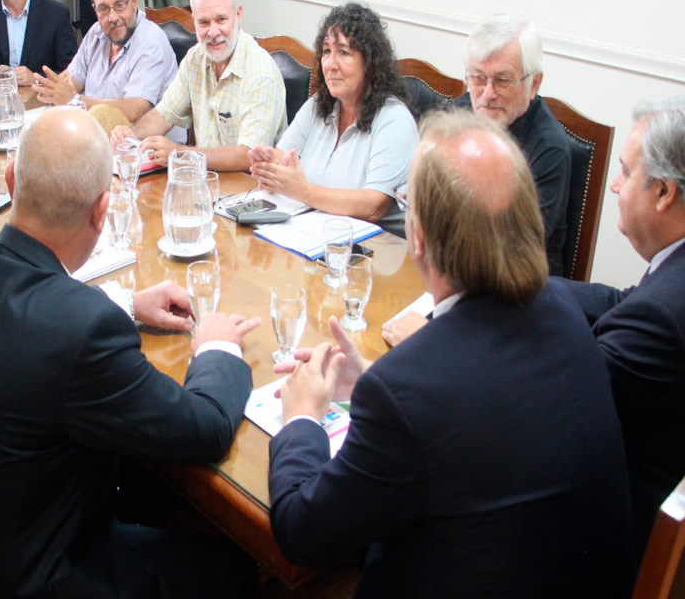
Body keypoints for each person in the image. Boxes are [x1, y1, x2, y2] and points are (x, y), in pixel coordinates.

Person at [268, 108, 635, 598]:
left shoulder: (409, 389)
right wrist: (371, 377)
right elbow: (476, 414)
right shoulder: (568, 314)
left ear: (418, 239)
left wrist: (301, 418)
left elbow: (301, 532)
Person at [0, 107, 261, 598]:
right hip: (36, 578)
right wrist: (217, 345)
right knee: (232, 566)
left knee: (142, 485)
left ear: (12, 178)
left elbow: (30, 316)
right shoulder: (83, 330)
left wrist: (127, 304)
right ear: (102, 210)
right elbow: (205, 428)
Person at [554, 95, 685, 561]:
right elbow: (623, 302)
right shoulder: (672, 275)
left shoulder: (663, 317)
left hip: (609, 537)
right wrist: (521, 283)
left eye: (626, 173)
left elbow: (558, 409)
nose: (613, 185)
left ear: (664, 192)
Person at [248, 3, 417, 235]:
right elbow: (283, 156)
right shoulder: (319, 104)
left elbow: (373, 206)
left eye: (343, 53)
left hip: (368, 247)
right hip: (311, 233)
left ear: (370, 62)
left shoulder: (394, 120)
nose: (330, 64)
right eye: (326, 51)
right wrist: (271, 169)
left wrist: (301, 190)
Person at [111, 0, 286, 172]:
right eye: (203, 22)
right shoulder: (195, 58)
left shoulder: (260, 73)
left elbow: (248, 156)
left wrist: (180, 153)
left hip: (249, 185)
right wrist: (131, 135)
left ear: (238, 15)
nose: (213, 32)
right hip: (203, 180)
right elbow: (163, 115)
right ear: (194, 21)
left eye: (221, 20)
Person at [455, 13, 570, 276]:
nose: (487, 95)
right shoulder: (458, 114)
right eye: (478, 78)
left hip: (517, 282)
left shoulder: (549, 148)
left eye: (502, 80)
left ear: (534, 83)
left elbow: (515, 246)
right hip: (456, 266)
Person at [32, 0, 177, 127]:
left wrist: (74, 100)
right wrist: (44, 86)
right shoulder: (96, 33)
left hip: (144, 140)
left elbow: (135, 111)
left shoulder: (150, 40)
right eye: (103, 9)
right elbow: (71, 82)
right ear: (95, 10)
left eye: (120, 5)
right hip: (98, 133)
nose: (112, 17)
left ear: (134, 1)